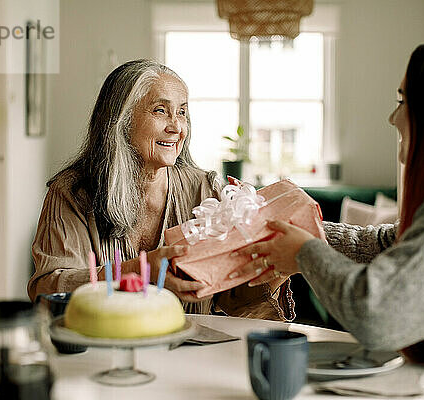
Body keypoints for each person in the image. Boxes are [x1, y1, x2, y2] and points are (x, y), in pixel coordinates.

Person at [230, 40, 424, 397]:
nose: (393, 118)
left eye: (402, 101)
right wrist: (289, 230)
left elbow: (379, 315)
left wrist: (305, 252)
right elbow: (385, 246)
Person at [28, 59, 293, 321]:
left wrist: (275, 270)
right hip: (102, 350)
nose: (177, 127)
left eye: (182, 113)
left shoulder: (204, 189)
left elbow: (232, 300)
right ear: (121, 120)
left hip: (187, 352)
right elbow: (47, 290)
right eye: (160, 110)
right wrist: (137, 272)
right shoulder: (71, 193)